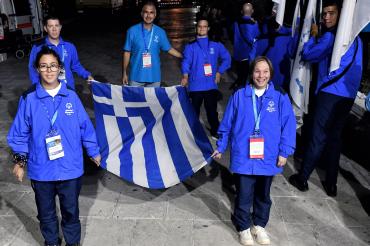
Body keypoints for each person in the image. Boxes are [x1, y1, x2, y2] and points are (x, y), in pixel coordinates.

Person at [8, 46, 101, 246]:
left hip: (70, 168)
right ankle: (51, 242)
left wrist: (93, 151)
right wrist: (20, 161)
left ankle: (72, 243)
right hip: (42, 169)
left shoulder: (71, 97)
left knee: (71, 212)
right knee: (46, 214)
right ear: (37, 69)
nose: (49, 70)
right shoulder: (29, 98)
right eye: (44, 66)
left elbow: (85, 126)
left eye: (53, 66)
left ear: (60, 68)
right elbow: (20, 132)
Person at [212, 56, 296, 246]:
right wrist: (221, 146)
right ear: (251, 73)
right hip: (244, 154)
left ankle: (259, 225)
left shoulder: (280, 96)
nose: (261, 75)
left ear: (270, 74)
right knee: (243, 194)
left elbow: (288, 126)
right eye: (257, 71)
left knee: (263, 194)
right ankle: (243, 227)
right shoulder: (240, 95)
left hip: (268, 156)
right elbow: (227, 124)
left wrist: (284, 151)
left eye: (265, 71)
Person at [289, 1, 363, 197]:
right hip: (347, 97)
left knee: (318, 136)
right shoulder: (357, 40)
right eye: (324, 14)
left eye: (331, 13)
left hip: (329, 95)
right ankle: (331, 185)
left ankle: (302, 178)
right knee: (335, 139)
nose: (326, 17)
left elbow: (307, 54)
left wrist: (313, 36)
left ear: (341, 16)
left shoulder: (331, 37)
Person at [181, 18, 231, 140]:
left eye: (204, 26)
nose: (202, 28)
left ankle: (215, 131)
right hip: (195, 85)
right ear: (196, 28)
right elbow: (186, 62)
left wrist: (219, 72)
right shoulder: (190, 46)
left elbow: (227, 59)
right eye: (199, 26)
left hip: (210, 85)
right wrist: (185, 75)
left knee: (212, 111)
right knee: (194, 112)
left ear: (208, 28)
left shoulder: (216, 45)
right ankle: (192, 133)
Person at [122, 1, 182, 87]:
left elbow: (169, 49)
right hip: (136, 76)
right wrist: (124, 73)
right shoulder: (132, 31)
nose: (148, 15)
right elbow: (127, 53)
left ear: (155, 14)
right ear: (142, 14)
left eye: (151, 12)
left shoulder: (160, 32)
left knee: (153, 100)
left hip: (154, 77)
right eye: (146, 12)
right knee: (135, 100)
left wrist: (182, 56)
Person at [28, 16, 94, 90]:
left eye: (56, 26)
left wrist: (87, 75)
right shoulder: (38, 48)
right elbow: (32, 68)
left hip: (68, 88)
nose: (54, 29)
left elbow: (76, 65)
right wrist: (37, 86)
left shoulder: (70, 46)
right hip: (47, 89)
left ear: (60, 27)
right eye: (50, 26)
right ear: (45, 28)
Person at [231, 1, 259, 90]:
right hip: (248, 56)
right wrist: (256, 25)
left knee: (240, 77)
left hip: (237, 55)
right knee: (245, 81)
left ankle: (237, 93)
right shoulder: (252, 24)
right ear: (252, 11)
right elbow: (254, 39)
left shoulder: (236, 22)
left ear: (242, 11)